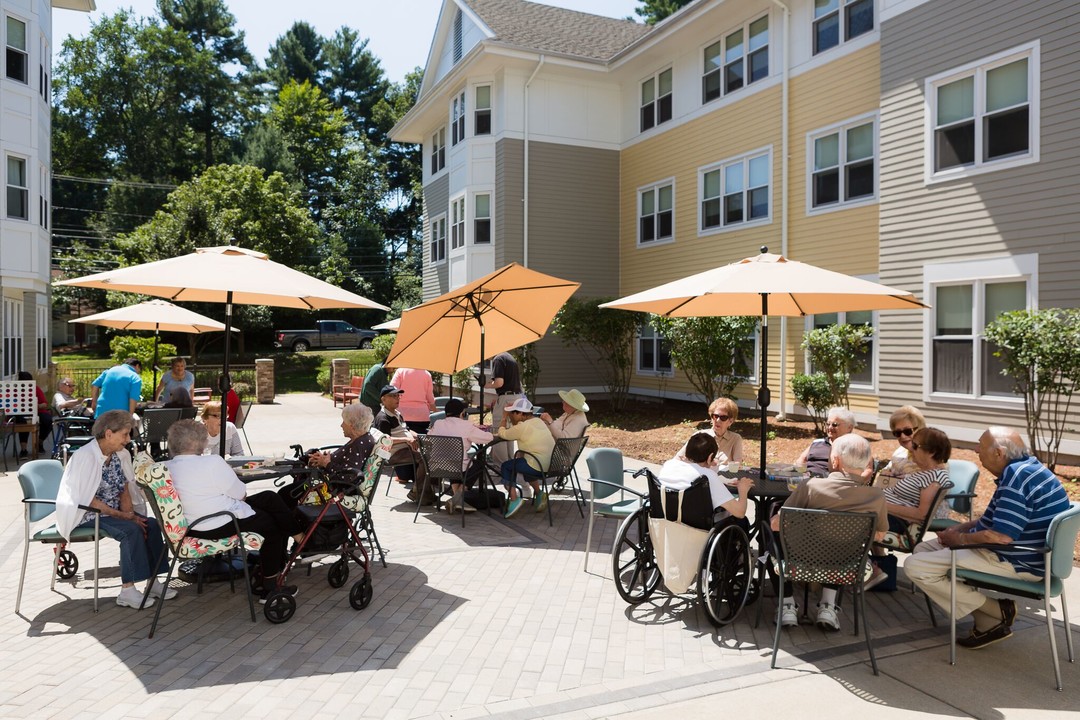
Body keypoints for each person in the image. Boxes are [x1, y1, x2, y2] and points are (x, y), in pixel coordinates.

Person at [905, 426, 1071, 649]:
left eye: (980, 446)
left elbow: (1001, 537)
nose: (975, 450)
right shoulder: (1026, 468)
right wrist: (959, 531)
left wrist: (960, 541)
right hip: (1023, 555)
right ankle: (985, 620)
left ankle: (997, 610)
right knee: (923, 551)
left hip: (1018, 561)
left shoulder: (1016, 477)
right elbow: (992, 520)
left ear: (999, 453)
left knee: (915, 566)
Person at [166, 420, 301, 602]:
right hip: (218, 522)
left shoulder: (168, 466)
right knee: (272, 526)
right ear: (200, 441)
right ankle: (270, 587)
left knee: (269, 497)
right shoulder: (212, 462)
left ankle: (299, 536)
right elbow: (240, 494)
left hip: (193, 524)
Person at [54, 410, 176, 609]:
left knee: (151, 524)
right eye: (125, 435)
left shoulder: (120, 454)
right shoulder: (85, 456)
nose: (128, 440)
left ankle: (153, 582)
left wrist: (130, 514)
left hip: (113, 511)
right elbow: (89, 501)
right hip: (87, 513)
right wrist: (125, 517)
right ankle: (127, 590)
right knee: (131, 531)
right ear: (109, 433)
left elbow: (125, 488)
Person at [771, 433, 888, 631]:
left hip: (799, 560)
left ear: (835, 460)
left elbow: (776, 524)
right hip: (845, 566)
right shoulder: (876, 496)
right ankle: (828, 606)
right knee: (841, 544)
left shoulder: (810, 486)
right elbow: (879, 536)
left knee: (772, 534)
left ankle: (787, 605)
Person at [657, 432, 753, 522]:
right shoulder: (706, 477)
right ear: (710, 457)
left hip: (665, 527)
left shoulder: (669, 465)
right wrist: (743, 490)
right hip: (697, 532)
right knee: (743, 522)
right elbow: (740, 513)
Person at [428, 398, 494, 514]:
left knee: (454, 461)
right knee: (478, 464)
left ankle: (457, 499)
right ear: (462, 413)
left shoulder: (438, 424)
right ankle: (457, 498)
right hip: (457, 466)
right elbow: (487, 438)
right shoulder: (466, 425)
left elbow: (429, 438)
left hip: (437, 467)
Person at [883, 426, 951, 533]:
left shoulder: (935, 478)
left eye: (915, 445)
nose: (910, 447)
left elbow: (922, 515)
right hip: (885, 516)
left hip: (895, 522)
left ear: (931, 451)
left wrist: (880, 505)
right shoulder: (926, 473)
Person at [497, 397, 554, 519]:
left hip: (537, 464)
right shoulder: (539, 422)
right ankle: (539, 494)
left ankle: (514, 499)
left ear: (521, 413)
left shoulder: (522, 427)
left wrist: (503, 417)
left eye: (513, 413)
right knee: (525, 462)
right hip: (550, 465)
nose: (511, 416)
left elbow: (503, 434)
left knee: (506, 466)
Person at [373, 384, 429, 501]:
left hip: (405, 449)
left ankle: (426, 492)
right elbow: (384, 441)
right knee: (425, 459)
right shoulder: (383, 418)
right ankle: (417, 492)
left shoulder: (396, 413)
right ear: (383, 399)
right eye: (393, 396)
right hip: (392, 454)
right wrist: (406, 439)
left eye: (398, 396)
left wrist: (417, 436)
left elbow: (406, 429)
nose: (397, 398)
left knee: (431, 455)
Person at [794, 407, 872, 480]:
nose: (830, 428)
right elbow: (801, 461)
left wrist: (851, 483)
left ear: (849, 427)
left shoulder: (857, 446)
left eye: (834, 425)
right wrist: (803, 476)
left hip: (834, 485)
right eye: (828, 424)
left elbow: (868, 470)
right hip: (808, 481)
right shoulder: (817, 442)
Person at [675, 397, 743, 468]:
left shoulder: (735, 438)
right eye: (715, 416)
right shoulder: (700, 436)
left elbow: (737, 464)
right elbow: (678, 458)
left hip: (724, 477)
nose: (718, 420)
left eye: (723, 417)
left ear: (730, 421)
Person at [876, 405, 926, 489]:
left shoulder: (932, 453)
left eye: (907, 431)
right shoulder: (899, 452)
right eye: (898, 433)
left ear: (920, 429)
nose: (902, 436)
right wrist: (885, 473)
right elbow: (886, 470)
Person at [485, 351, 522, 465]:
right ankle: (510, 464)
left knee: (498, 430)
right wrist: (500, 396)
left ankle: (500, 466)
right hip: (515, 397)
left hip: (506, 399)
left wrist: (485, 385)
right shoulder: (509, 357)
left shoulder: (498, 359)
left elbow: (499, 383)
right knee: (509, 430)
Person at [15, 370, 52, 457]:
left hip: (38, 411)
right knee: (22, 422)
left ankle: (39, 443)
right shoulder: (15, 390)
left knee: (47, 421)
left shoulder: (36, 389)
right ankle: (23, 449)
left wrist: (36, 406)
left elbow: (45, 404)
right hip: (22, 412)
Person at [390, 366, 437, 434]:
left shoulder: (400, 371)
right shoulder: (427, 374)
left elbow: (392, 390)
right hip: (422, 416)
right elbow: (430, 397)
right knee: (420, 441)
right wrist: (435, 410)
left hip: (402, 415)